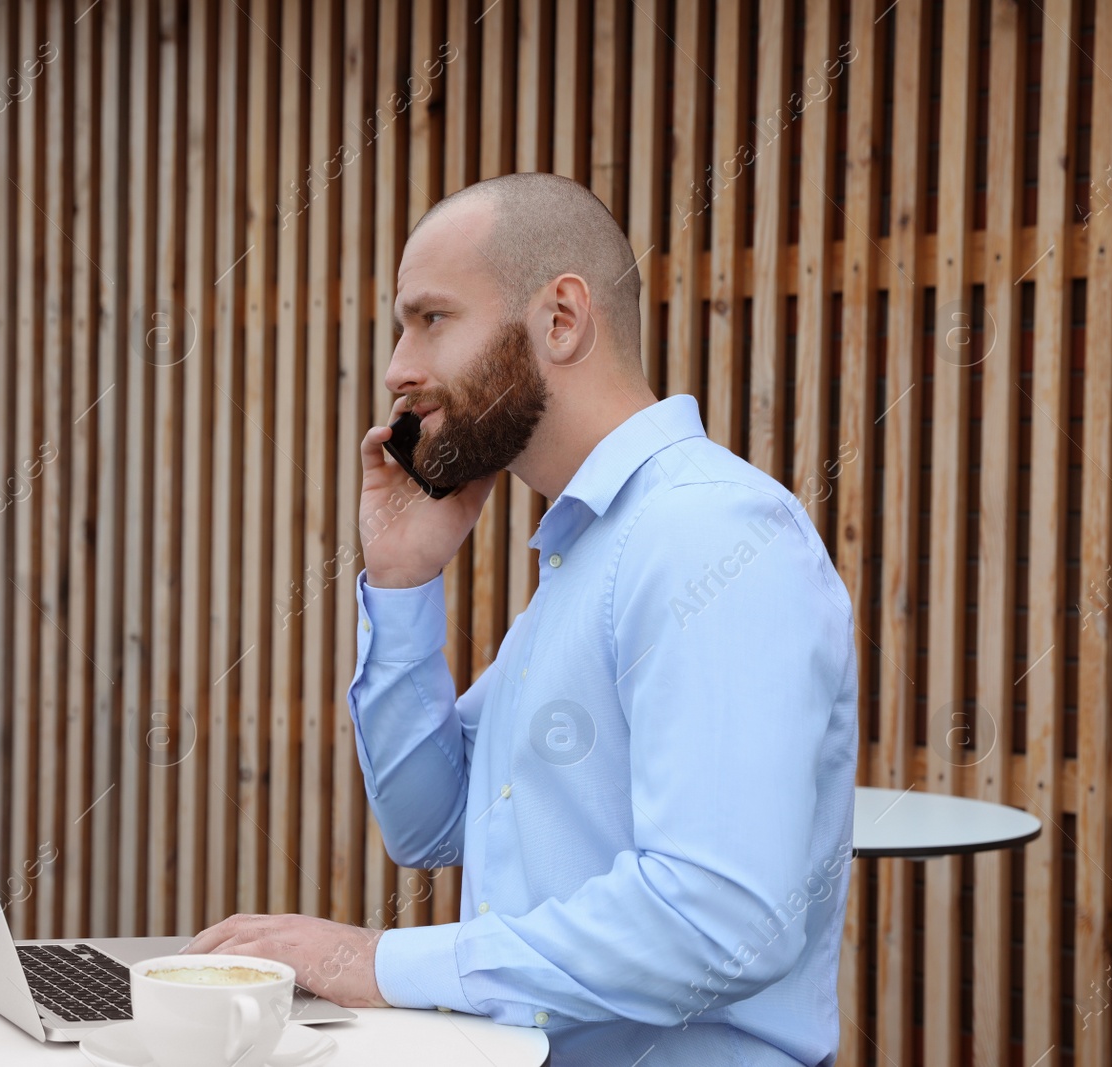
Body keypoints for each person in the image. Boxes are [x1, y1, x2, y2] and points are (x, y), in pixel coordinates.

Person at [185, 172, 858, 1066]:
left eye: (431, 318)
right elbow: (431, 821)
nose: (396, 367)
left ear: (562, 320)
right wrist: (399, 580)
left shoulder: (707, 533)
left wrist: (374, 959)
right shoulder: (591, 553)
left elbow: (721, 917)